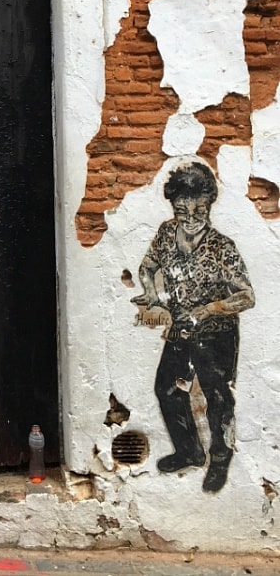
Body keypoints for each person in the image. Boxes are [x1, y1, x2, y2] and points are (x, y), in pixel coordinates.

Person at [132, 161, 255, 493]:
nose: (190, 216)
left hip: (217, 333)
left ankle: (219, 459)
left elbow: (247, 296)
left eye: (198, 208)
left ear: (210, 203)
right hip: (182, 329)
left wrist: (207, 309)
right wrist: (152, 294)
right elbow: (148, 265)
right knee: (167, 388)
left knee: (217, 398)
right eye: (181, 209)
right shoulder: (165, 234)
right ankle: (189, 451)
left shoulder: (222, 247)